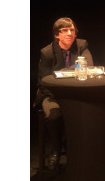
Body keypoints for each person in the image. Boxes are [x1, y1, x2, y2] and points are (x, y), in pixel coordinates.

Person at [35, 17, 93, 170]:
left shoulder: (82, 45)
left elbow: (88, 68)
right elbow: (44, 81)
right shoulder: (47, 52)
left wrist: (63, 72)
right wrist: (73, 71)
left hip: (75, 93)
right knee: (55, 115)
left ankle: (79, 150)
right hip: (51, 94)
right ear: (56, 35)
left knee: (90, 111)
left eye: (72, 30)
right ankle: (56, 149)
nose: (69, 33)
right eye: (65, 30)